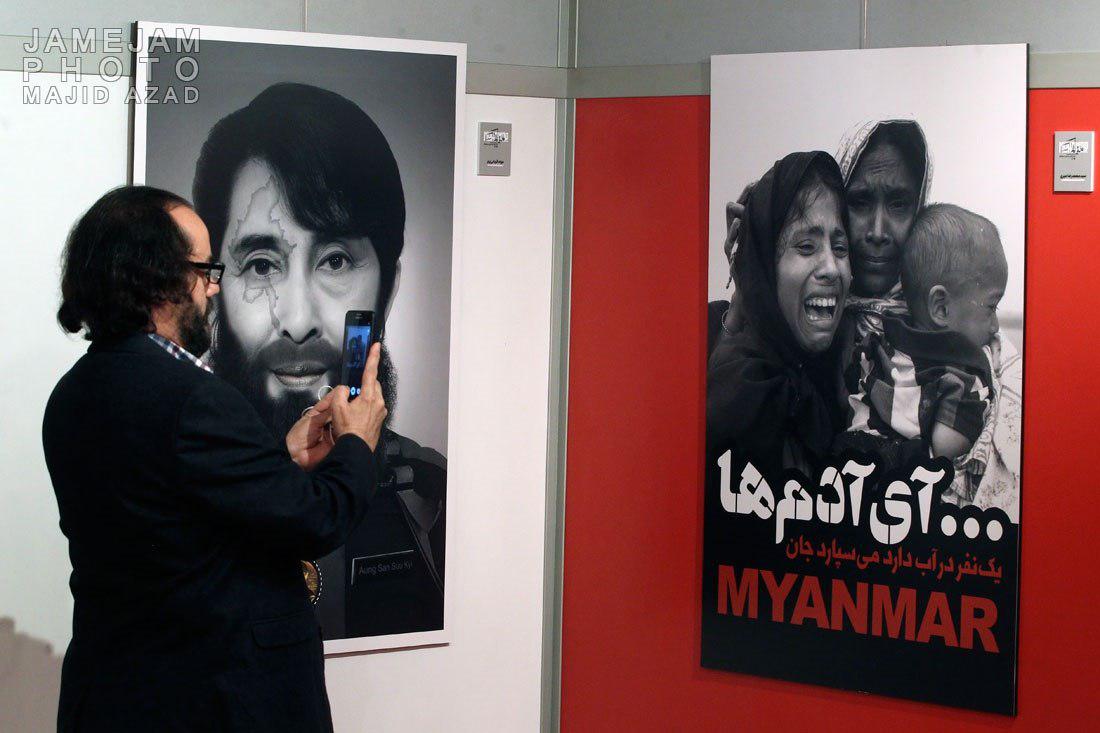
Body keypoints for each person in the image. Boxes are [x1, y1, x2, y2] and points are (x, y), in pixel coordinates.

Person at [42, 185, 388, 732]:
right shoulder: (191, 398)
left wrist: (278, 461)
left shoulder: (73, 392)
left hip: (117, 697)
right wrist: (357, 441)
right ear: (157, 278)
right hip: (214, 701)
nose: (213, 287)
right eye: (206, 269)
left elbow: (178, 514)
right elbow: (318, 520)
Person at [192, 82, 445, 639]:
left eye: (335, 260)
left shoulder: (433, 497)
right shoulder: (179, 492)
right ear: (214, 287)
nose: (300, 319)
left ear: (388, 289)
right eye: (261, 264)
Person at [707, 151, 851, 481]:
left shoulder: (832, 373)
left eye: (841, 248)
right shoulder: (744, 395)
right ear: (765, 266)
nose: (831, 268)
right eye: (806, 247)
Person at [841, 204, 1005, 463]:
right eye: (991, 307)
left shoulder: (880, 339)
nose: (995, 326)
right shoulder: (962, 375)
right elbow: (945, 448)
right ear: (940, 307)